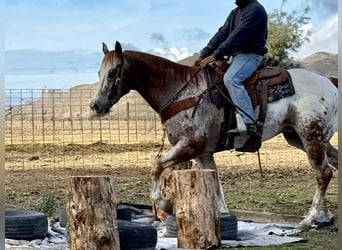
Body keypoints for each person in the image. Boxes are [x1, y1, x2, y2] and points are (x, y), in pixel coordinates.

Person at [194, 0, 268, 136]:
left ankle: (248, 122)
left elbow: (238, 36)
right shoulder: (235, 13)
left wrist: (216, 54)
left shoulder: (255, 10)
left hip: (250, 55)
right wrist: (204, 53)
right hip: (236, 56)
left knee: (231, 79)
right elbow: (222, 34)